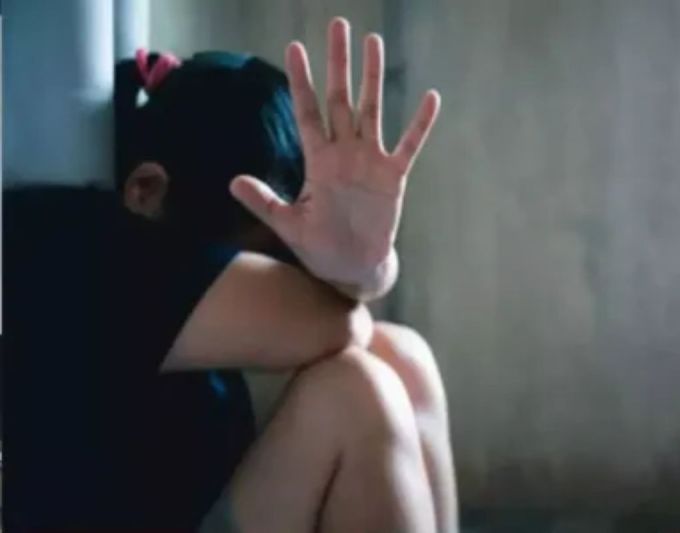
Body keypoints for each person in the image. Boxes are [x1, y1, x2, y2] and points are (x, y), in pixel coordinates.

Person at [6, 17, 457, 532]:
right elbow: (340, 323)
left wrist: (365, 262)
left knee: (401, 355)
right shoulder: (80, 247)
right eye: (264, 260)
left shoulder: (146, 227)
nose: (282, 278)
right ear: (146, 191)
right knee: (355, 393)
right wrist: (359, 274)